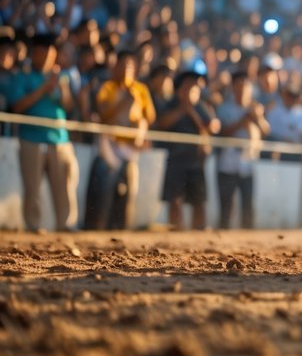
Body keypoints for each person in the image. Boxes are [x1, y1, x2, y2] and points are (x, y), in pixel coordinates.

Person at [4, 32, 79, 232]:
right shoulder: (23, 77)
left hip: (60, 139)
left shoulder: (62, 77)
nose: (45, 56)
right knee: (33, 188)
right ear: (33, 53)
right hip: (31, 138)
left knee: (65, 186)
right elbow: (17, 106)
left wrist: (61, 88)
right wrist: (44, 89)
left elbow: (69, 107)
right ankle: (33, 226)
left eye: (49, 52)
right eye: (41, 52)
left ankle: (66, 224)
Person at [84, 53, 154, 230]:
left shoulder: (141, 89)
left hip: (131, 148)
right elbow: (104, 115)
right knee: (103, 192)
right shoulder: (107, 87)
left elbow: (150, 117)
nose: (125, 70)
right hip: (110, 147)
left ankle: (122, 231)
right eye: (122, 65)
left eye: (129, 66)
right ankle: (98, 229)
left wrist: (140, 132)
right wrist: (124, 102)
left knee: (128, 192)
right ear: (115, 68)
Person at [155, 71, 218, 231]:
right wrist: (183, 108)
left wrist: (191, 110)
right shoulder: (171, 104)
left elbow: (211, 127)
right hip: (176, 158)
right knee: (174, 198)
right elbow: (162, 123)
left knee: (198, 200)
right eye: (189, 85)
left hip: (196, 160)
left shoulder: (202, 106)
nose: (193, 89)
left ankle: (200, 232)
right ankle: (176, 230)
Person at [215, 71, 269, 229]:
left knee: (248, 202)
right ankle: (223, 231)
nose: (242, 90)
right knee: (226, 202)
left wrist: (257, 117)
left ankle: (248, 235)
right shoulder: (225, 108)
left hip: (248, 160)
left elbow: (266, 131)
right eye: (239, 86)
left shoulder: (255, 107)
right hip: (228, 158)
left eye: (245, 86)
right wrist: (242, 121)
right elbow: (223, 132)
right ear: (233, 88)